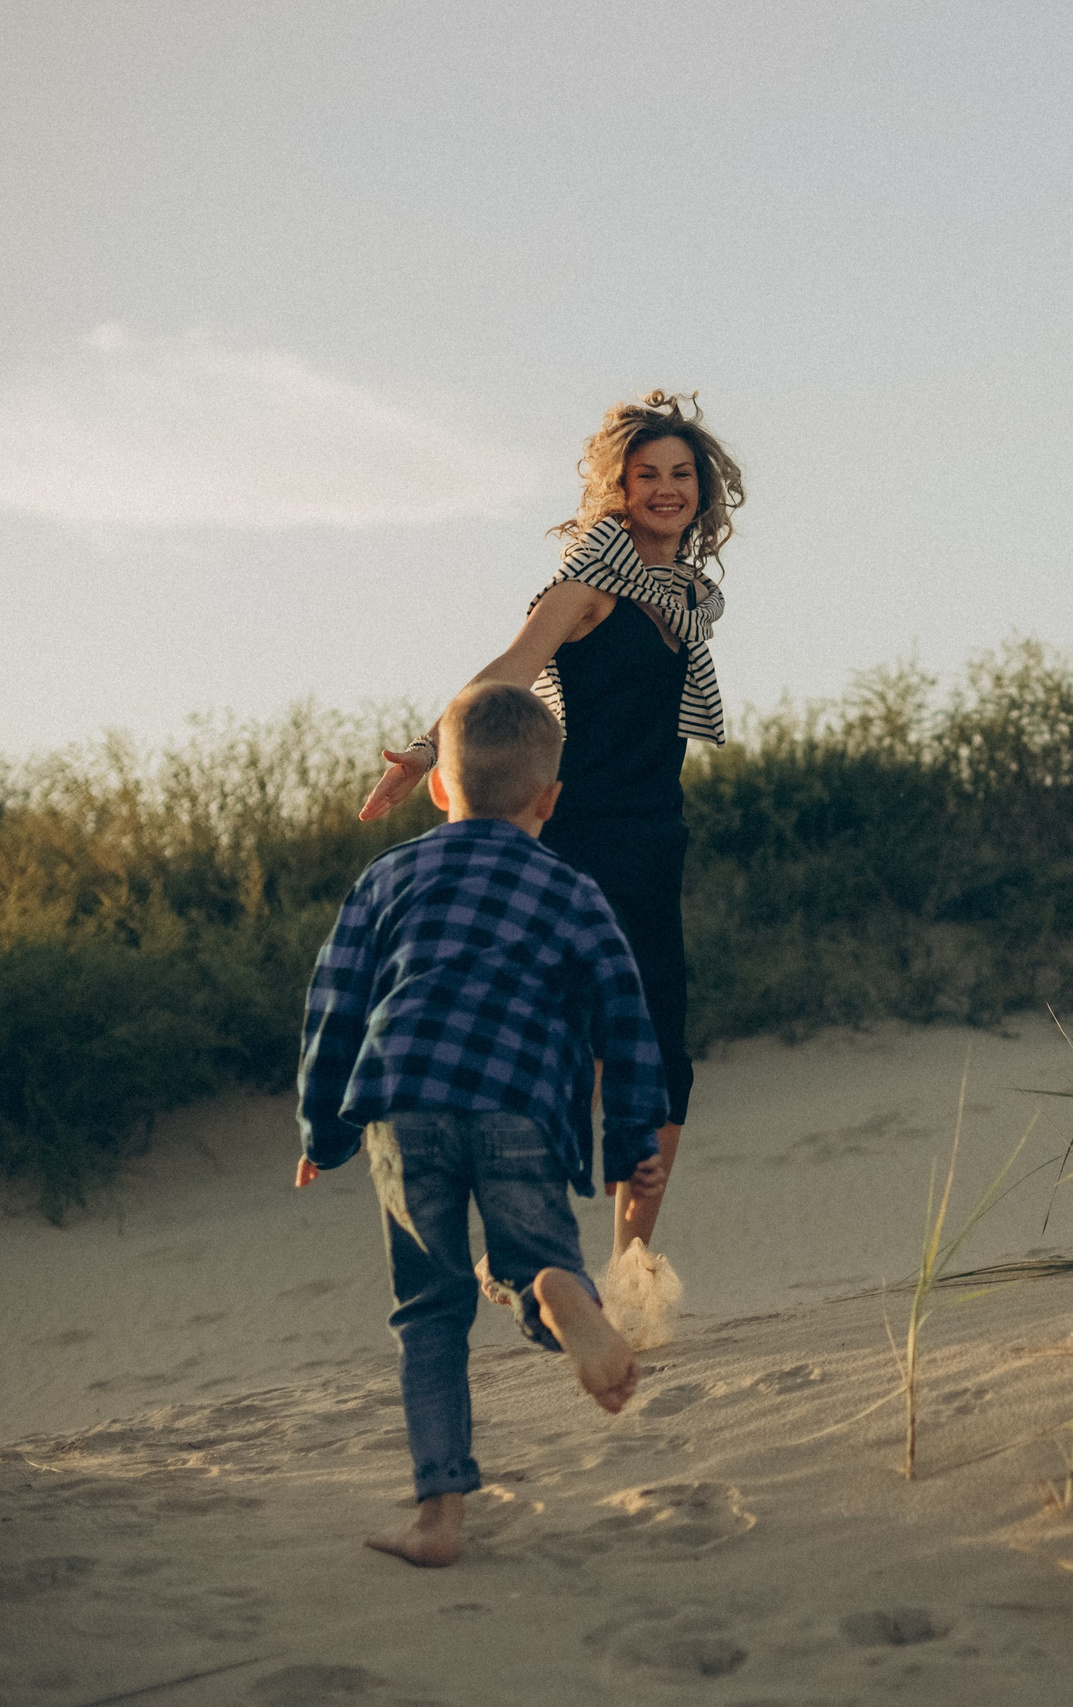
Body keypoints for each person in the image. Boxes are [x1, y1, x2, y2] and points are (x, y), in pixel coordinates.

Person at [299, 681, 670, 1567]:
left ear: (438, 787)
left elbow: (334, 1003)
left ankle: (439, 1518)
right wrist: (632, 1147)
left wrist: (322, 1131)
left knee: (429, 1311)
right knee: (537, 1257)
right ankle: (556, 1290)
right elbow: (627, 1018)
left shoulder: (386, 876)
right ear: (548, 799)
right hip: (520, 1102)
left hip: (405, 1100)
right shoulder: (573, 890)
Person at [361, 390, 741, 1255]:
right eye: (647, 475)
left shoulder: (685, 600)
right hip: (575, 836)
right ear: (620, 489)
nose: (666, 488)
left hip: (653, 840)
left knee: (660, 1060)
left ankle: (633, 1264)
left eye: (681, 474)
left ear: (703, 492)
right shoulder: (589, 585)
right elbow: (509, 669)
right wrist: (430, 748)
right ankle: (517, 1231)